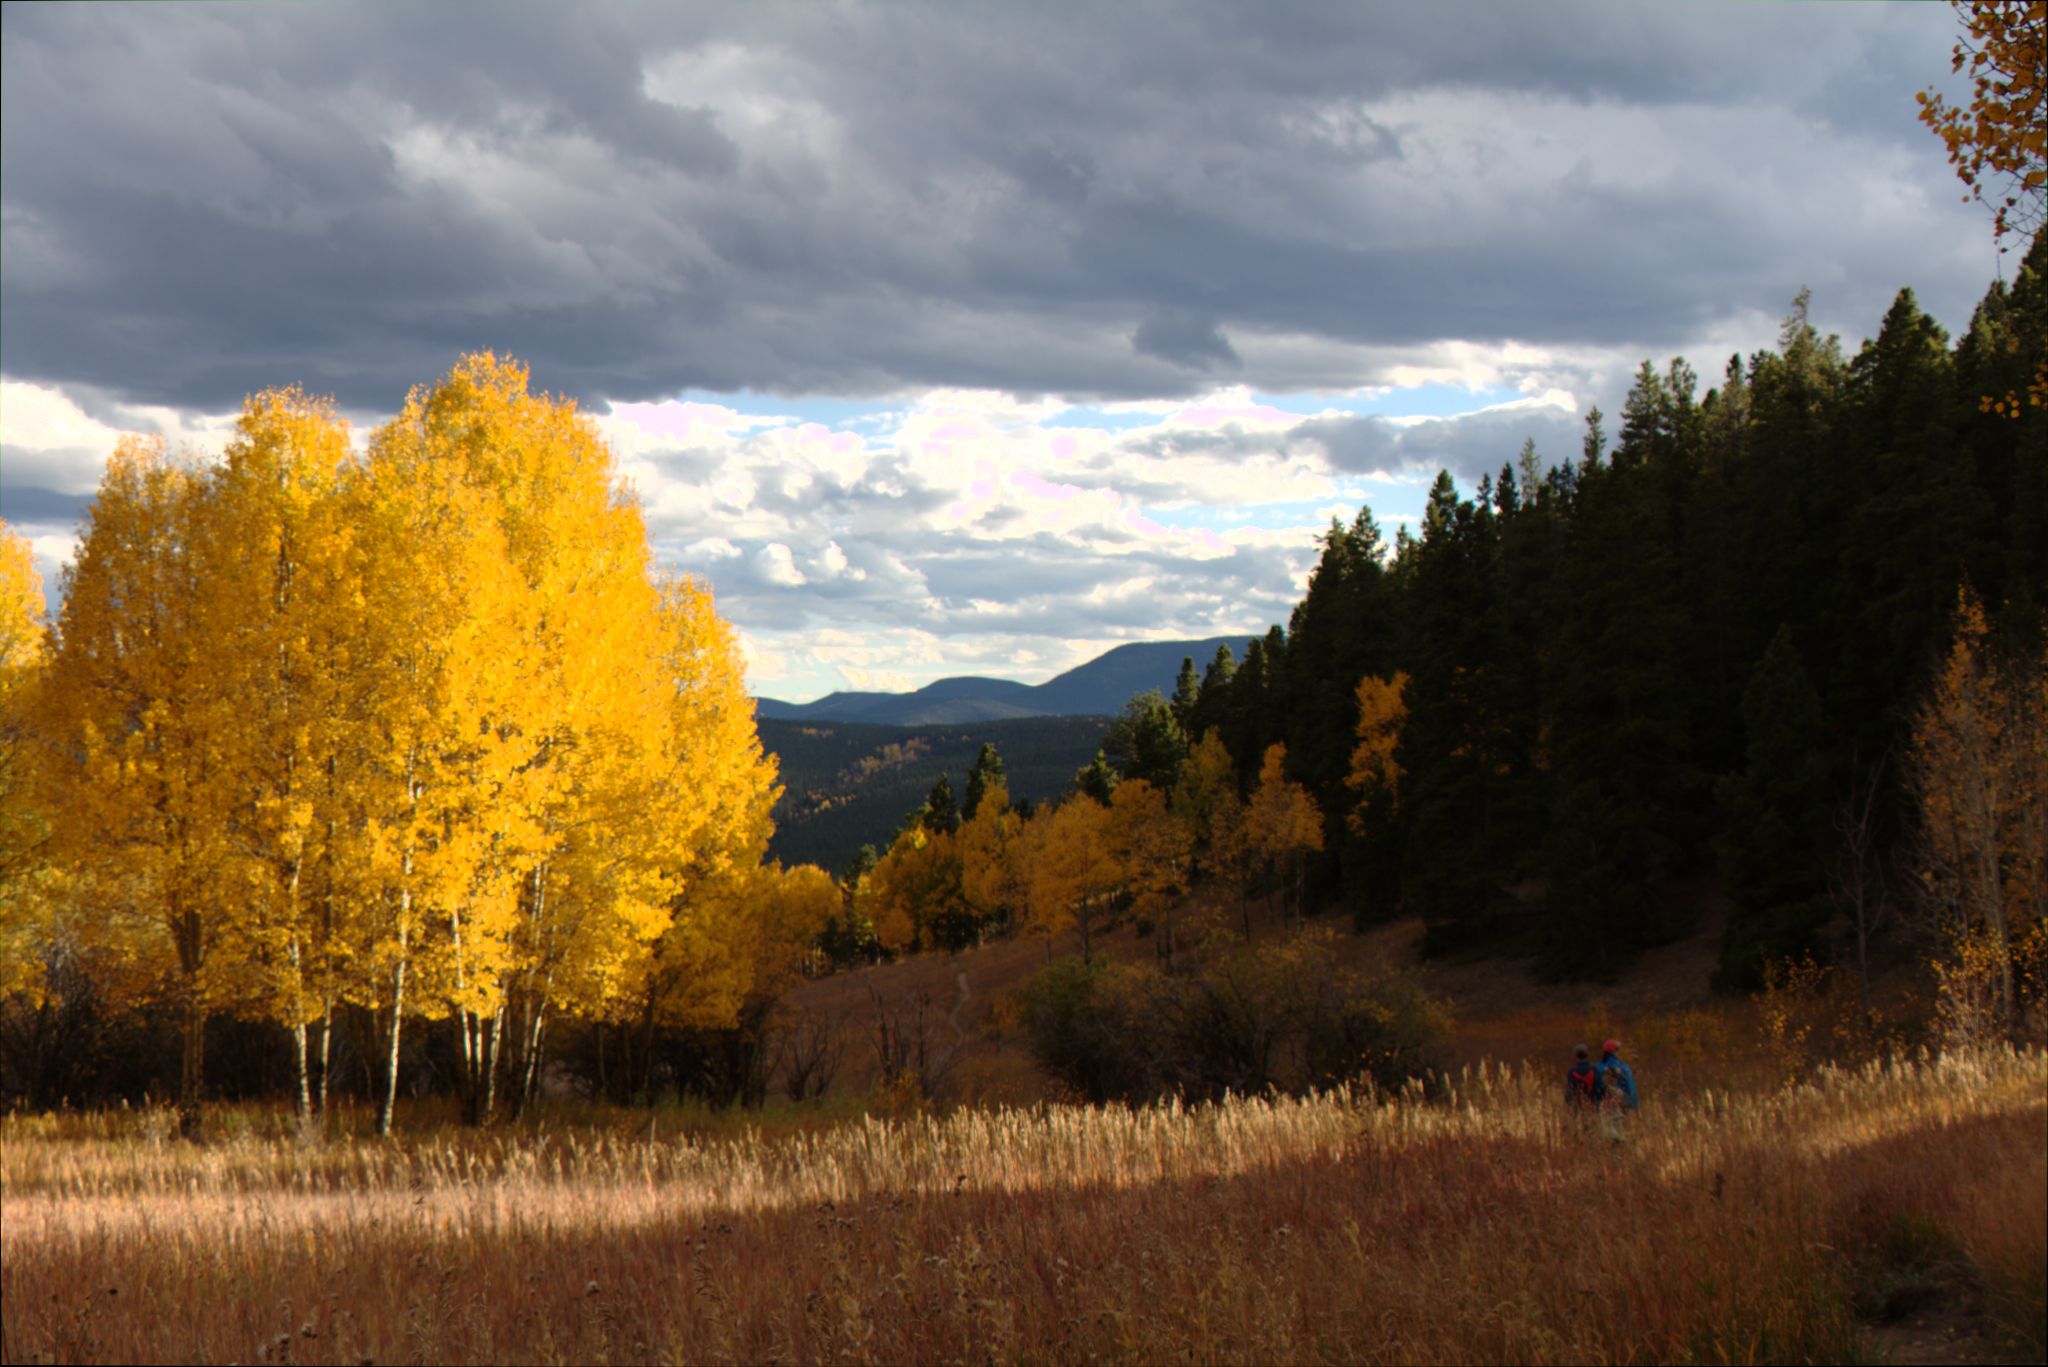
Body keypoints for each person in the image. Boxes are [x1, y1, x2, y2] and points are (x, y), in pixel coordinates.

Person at [1597, 1038, 1638, 1111]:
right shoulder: (1623, 1067)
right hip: (1620, 1103)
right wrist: (1634, 1106)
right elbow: (1631, 1087)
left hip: (1603, 1106)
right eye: (1617, 1050)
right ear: (1614, 1052)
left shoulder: (1598, 1067)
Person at [1565, 1044, 1603, 1113]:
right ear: (1587, 1055)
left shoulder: (1572, 1072)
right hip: (1593, 1108)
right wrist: (1597, 1101)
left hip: (1577, 1109)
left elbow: (1569, 1092)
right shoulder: (1594, 1070)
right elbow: (1600, 1089)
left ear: (1576, 1056)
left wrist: (1570, 1104)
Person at [1599, 1063, 1629, 1143]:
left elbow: (1621, 1103)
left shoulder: (1616, 1091)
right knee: (1612, 1135)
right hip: (1609, 1115)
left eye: (1616, 1078)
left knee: (1617, 1137)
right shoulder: (1608, 1088)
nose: (1615, 1080)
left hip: (1614, 1115)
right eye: (1615, 1078)